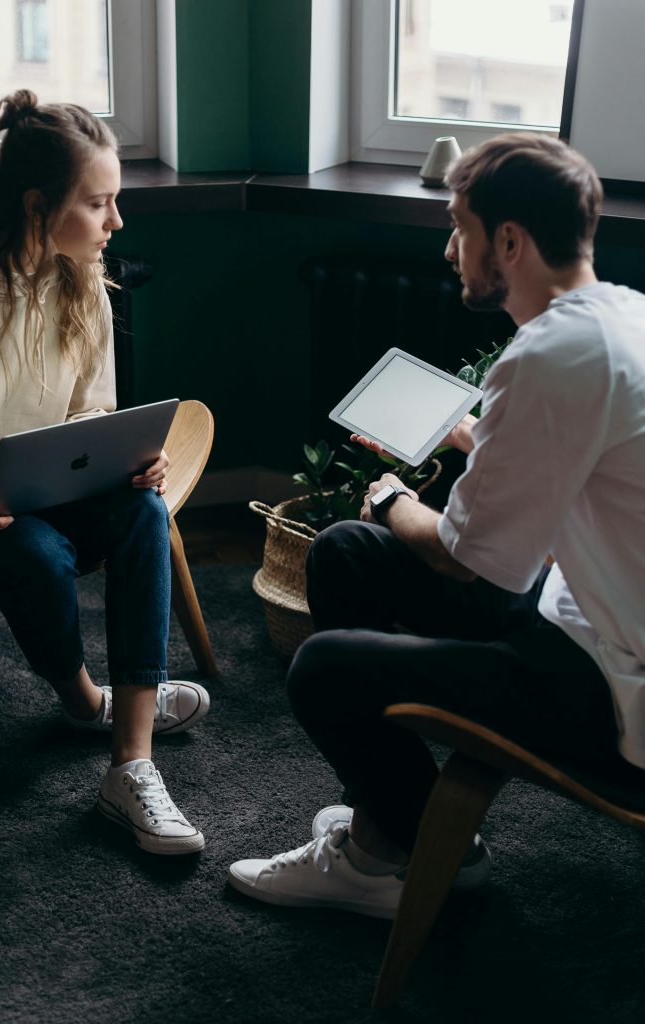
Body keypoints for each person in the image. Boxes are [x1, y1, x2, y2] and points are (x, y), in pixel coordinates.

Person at [228, 132, 645, 914]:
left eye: (459, 227)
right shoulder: (620, 319)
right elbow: (569, 459)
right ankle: (398, 827)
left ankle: (399, 854)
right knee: (348, 553)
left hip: (612, 689)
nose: (452, 249)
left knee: (323, 665)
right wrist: (470, 436)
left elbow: (465, 560)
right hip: (583, 616)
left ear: (510, 241)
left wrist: (392, 498)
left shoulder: (549, 355)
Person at [0, 89, 209, 857]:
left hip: (44, 489)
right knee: (35, 551)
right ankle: (84, 701)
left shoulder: (82, 280)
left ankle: (130, 765)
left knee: (142, 513)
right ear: (38, 206)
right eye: (99, 204)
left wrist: (127, 459)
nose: (116, 222)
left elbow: (86, 418)